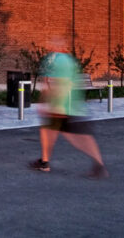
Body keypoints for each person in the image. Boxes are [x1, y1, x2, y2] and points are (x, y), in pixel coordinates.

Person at [30, 37, 109, 179]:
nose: (50, 46)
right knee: (50, 130)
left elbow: (60, 83)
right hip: (69, 105)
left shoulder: (57, 60)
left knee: (76, 138)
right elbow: (50, 81)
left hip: (63, 106)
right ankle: (45, 161)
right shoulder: (66, 60)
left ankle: (99, 166)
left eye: (53, 43)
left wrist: (52, 103)